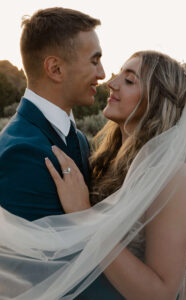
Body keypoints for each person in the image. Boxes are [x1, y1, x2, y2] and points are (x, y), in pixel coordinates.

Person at [0, 51, 186, 299]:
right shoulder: (109, 160)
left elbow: (161, 293)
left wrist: (84, 214)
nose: (111, 83)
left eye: (129, 81)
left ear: (156, 100)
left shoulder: (174, 179)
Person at [0, 7, 125, 300]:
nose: (103, 74)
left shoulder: (77, 139)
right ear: (55, 69)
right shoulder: (23, 153)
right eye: (94, 61)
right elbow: (44, 278)